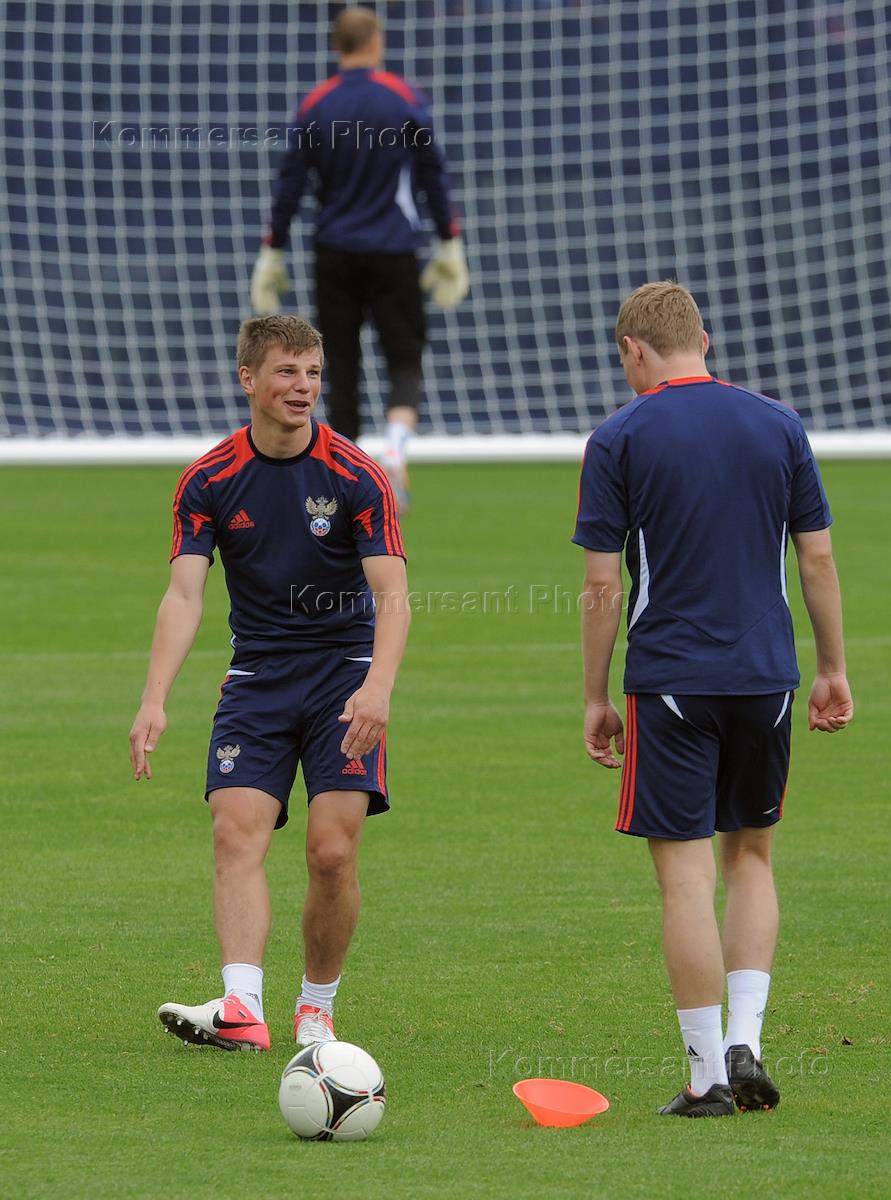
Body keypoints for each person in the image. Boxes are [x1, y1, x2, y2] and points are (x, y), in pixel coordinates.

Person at [573, 282, 853, 1117]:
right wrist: (832, 668)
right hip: (766, 679)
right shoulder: (778, 424)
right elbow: (816, 559)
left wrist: (593, 694)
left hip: (670, 683)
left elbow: (601, 586)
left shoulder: (617, 437)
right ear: (703, 339)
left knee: (685, 880)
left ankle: (704, 1078)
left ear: (634, 350)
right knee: (751, 858)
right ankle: (746, 1040)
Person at [128, 314, 410, 1052]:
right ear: (248, 379)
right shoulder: (208, 480)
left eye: (313, 372)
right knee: (235, 831)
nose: (303, 386)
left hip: (345, 675)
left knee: (331, 854)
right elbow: (183, 594)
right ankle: (241, 1006)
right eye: (287, 371)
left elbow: (393, 594)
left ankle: (315, 1008)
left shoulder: (356, 474)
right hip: (257, 677)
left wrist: (378, 687)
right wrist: (154, 698)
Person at [249, 5, 469, 514]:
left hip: (335, 252)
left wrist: (272, 248)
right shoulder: (402, 98)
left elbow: (290, 183)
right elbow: (432, 172)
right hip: (393, 249)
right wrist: (449, 240)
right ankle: (394, 448)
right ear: (376, 42)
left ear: (336, 46)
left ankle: (346, 476)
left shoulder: (316, 104)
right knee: (405, 356)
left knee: (340, 365)